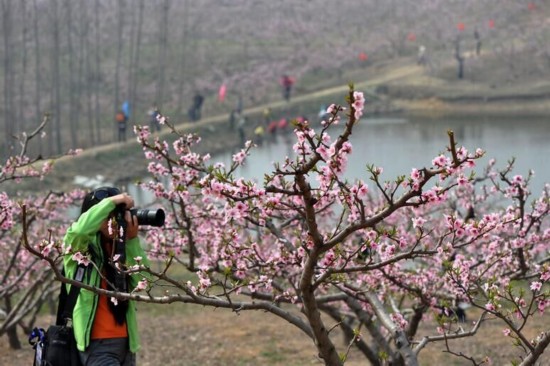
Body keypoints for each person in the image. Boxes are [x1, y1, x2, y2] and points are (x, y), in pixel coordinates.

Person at [63, 187, 150, 366]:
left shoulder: (120, 248)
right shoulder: (79, 250)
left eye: (117, 215)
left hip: (126, 344)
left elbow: (143, 281)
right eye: (107, 216)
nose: (113, 221)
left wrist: (132, 241)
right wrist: (111, 202)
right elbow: (79, 231)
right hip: (96, 345)